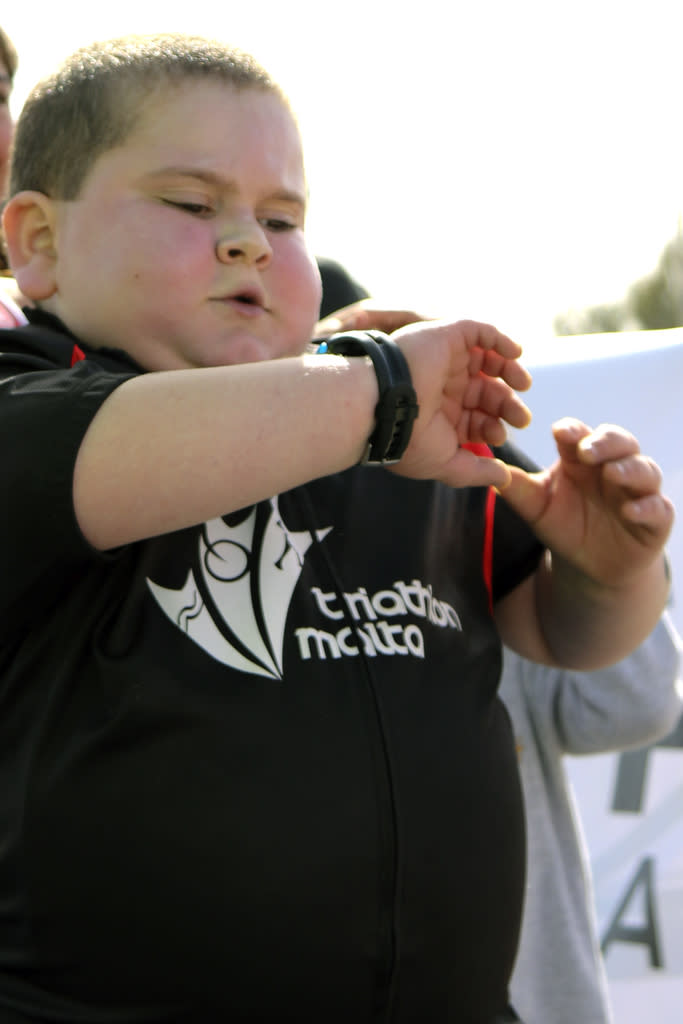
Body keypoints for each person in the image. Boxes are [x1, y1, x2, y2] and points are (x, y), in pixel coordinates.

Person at [0, 34, 674, 1024]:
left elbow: (563, 646)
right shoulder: (29, 404)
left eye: (282, 217)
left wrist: (607, 577)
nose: (246, 241)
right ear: (38, 244)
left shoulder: (397, 433)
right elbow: (105, 449)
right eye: (191, 205)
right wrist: (381, 387)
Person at [316, 261, 683, 1023]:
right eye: (345, 370)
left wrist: (603, 561)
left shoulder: (471, 528)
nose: (384, 400)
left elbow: (630, 706)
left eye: (401, 369)